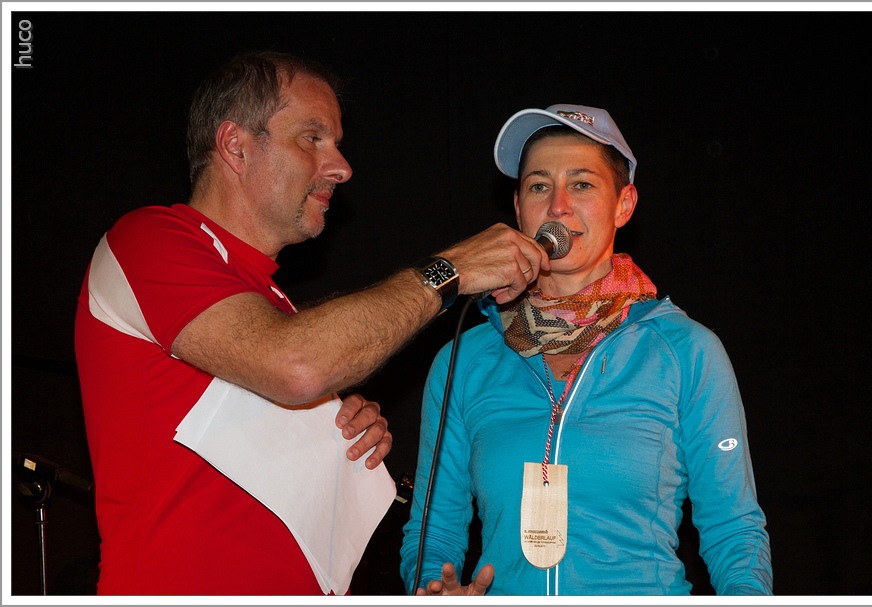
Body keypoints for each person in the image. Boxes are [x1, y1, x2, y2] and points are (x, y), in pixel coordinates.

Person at [73, 51, 550, 596]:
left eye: (337, 144)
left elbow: (291, 377)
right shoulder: (147, 239)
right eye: (313, 138)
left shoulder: (276, 308)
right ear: (235, 145)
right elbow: (296, 364)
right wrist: (450, 270)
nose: (341, 167)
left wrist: (336, 433)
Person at [399, 104, 773, 595]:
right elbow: (433, 533)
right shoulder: (464, 358)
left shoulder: (686, 351)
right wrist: (433, 590)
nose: (558, 206)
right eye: (539, 186)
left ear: (624, 205)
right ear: (518, 208)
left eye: (581, 184)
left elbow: (734, 529)